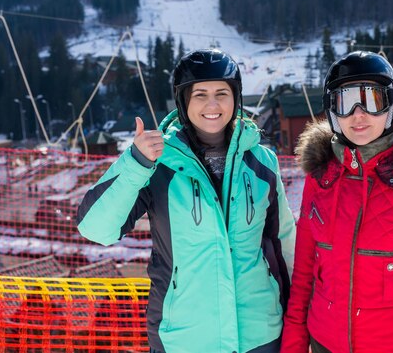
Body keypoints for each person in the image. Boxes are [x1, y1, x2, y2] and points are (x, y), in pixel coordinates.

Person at [76, 49, 296, 353]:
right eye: (200, 95)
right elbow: (96, 229)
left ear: (236, 98)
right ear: (183, 101)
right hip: (186, 338)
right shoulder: (158, 164)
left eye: (222, 93)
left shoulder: (262, 162)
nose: (212, 104)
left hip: (261, 334)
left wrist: (298, 318)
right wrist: (135, 164)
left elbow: (285, 244)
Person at [281, 51, 393, 353]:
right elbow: (304, 278)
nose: (358, 113)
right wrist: (294, 345)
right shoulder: (320, 177)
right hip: (325, 343)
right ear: (332, 112)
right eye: (345, 101)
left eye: (372, 100)